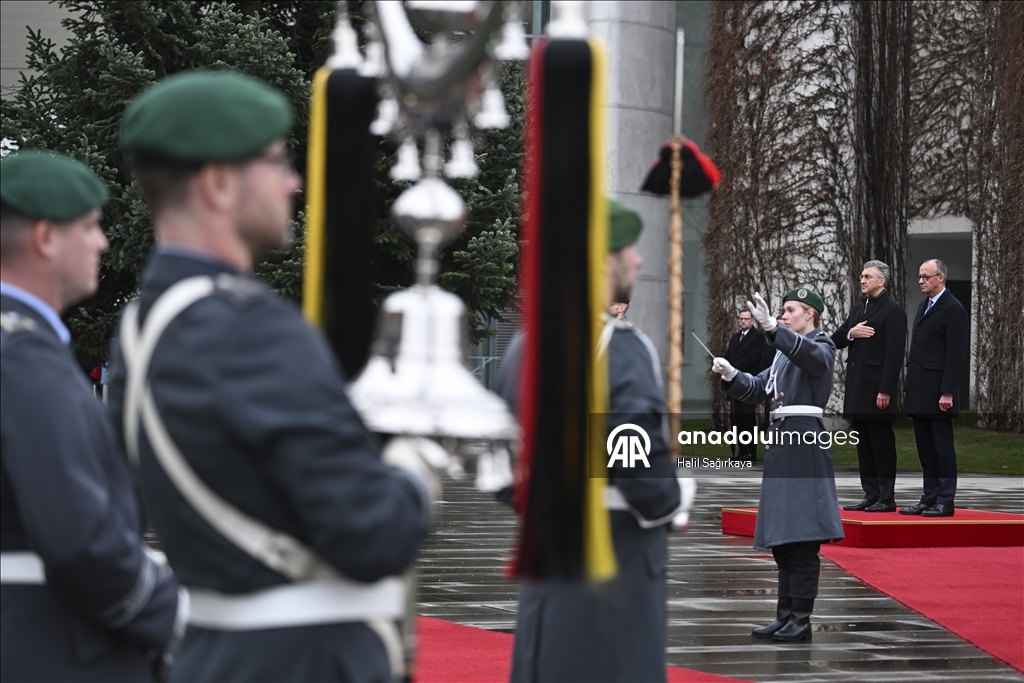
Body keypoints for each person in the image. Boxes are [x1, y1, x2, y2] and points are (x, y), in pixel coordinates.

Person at [107, 70, 431, 681]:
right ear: (220, 183)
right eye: (277, 161)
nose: (294, 181)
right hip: (301, 661)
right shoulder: (253, 328)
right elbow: (373, 535)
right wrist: (416, 471)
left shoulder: (138, 328)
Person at [1, 150, 185, 681]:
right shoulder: (25, 359)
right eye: (89, 226)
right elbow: (82, 544)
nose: (102, 243)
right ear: (44, 238)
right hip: (51, 651)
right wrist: (177, 618)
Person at [498, 199, 684, 682]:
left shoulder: (525, 344)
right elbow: (636, 453)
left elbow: (503, 469)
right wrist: (671, 500)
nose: (639, 261)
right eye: (628, 249)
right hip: (613, 562)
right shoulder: (619, 346)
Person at [711, 287, 843, 642]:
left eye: (789, 310)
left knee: (802, 537)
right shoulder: (785, 353)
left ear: (810, 314)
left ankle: (801, 618)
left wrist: (773, 330)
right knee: (784, 539)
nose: (783, 315)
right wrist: (731, 375)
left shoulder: (822, 345)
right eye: (781, 312)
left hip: (803, 442)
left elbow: (812, 359)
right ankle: (785, 615)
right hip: (784, 444)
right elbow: (759, 388)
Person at [832, 260, 907, 512]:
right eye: (862, 276)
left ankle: (886, 497)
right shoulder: (858, 309)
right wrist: (851, 332)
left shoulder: (892, 311)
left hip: (877, 390)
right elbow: (837, 339)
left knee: (881, 444)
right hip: (857, 389)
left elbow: (894, 355)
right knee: (863, 443)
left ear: (881, 281)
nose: (862, 280)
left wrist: (885, 389)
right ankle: (871, 493)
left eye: (867, 276)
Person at [899, 259, 968, 518]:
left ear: (941, 278)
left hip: (939, 392)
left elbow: (956, 354)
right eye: (919, 277)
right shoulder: (923, 306)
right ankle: (929, 497)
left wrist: (948, 391)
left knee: (942, 449)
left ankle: (945, 499)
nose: (921, 281)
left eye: (926, 277)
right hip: (920, 390)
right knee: (926, 450)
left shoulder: (953, 309)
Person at [724, 309, 768, 460]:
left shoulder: (758, 337)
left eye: (746, 319)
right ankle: (741, 450)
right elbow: (729, 355)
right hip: (734, 382)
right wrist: (724, 365)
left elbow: (753, 358)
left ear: (752, 321)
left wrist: (734, 369)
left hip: (748, 382)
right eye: (741, 318)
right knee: (737, 418)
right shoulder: (735, 338)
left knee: (748, 417)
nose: (743, 321)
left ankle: (751, 451)